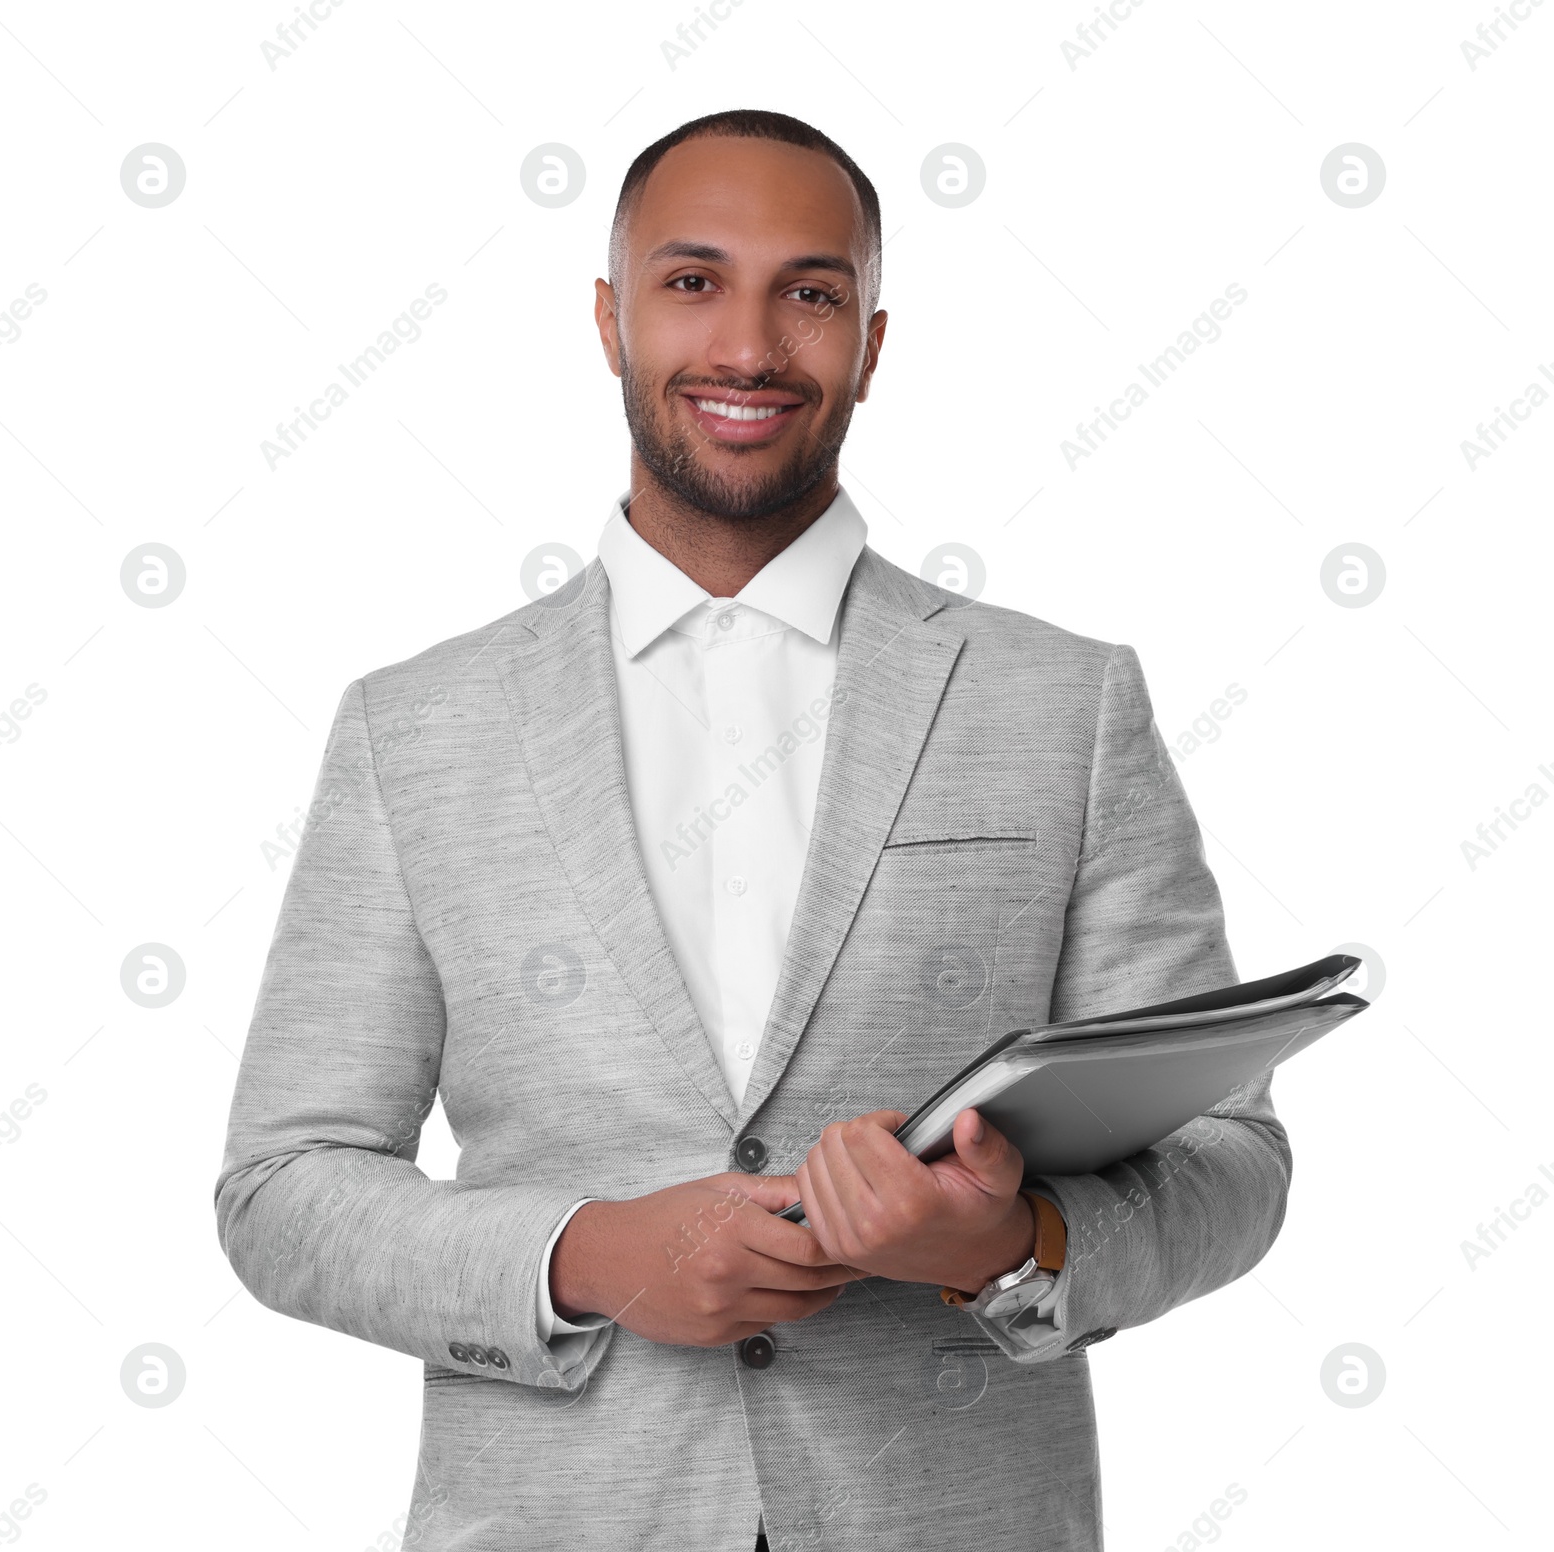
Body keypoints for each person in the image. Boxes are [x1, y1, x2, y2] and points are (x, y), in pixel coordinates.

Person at [215, 108, 1291, 1551]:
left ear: (872, 340)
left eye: (810, 291)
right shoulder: (418, 727)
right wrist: (588, 1255)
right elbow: (284, 1191)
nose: (749, 346)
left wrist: (1006, 1243)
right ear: (609, 318)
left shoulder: (1063, 703)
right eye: (691, 280)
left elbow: (1228, 1157)